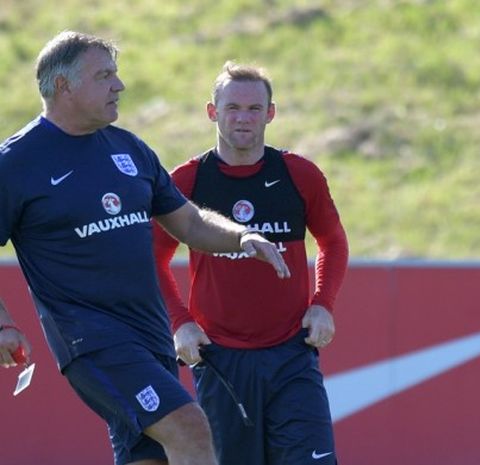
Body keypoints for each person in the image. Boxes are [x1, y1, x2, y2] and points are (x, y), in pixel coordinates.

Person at [0, 31, 290, 465]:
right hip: (93, 341)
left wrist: (241, 236)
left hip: (151, 337)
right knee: (191, 427)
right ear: (63, 87)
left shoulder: (128, 148)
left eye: (116, 74)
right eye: (104, 76)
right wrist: (2, 324)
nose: (119, 85)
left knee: (151, 458)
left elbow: (188, 221)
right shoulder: (15, 163)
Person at [153, 61, 349, 465]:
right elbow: (152, 258)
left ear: (270, 114)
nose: (243, 117)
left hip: (292, 354)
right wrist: (180, 323)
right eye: (232, 108)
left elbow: (333, 241)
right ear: (213, 112)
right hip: (221, 359)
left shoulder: (300, 174)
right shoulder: (187, 181)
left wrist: (323, 303)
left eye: (254, 108)